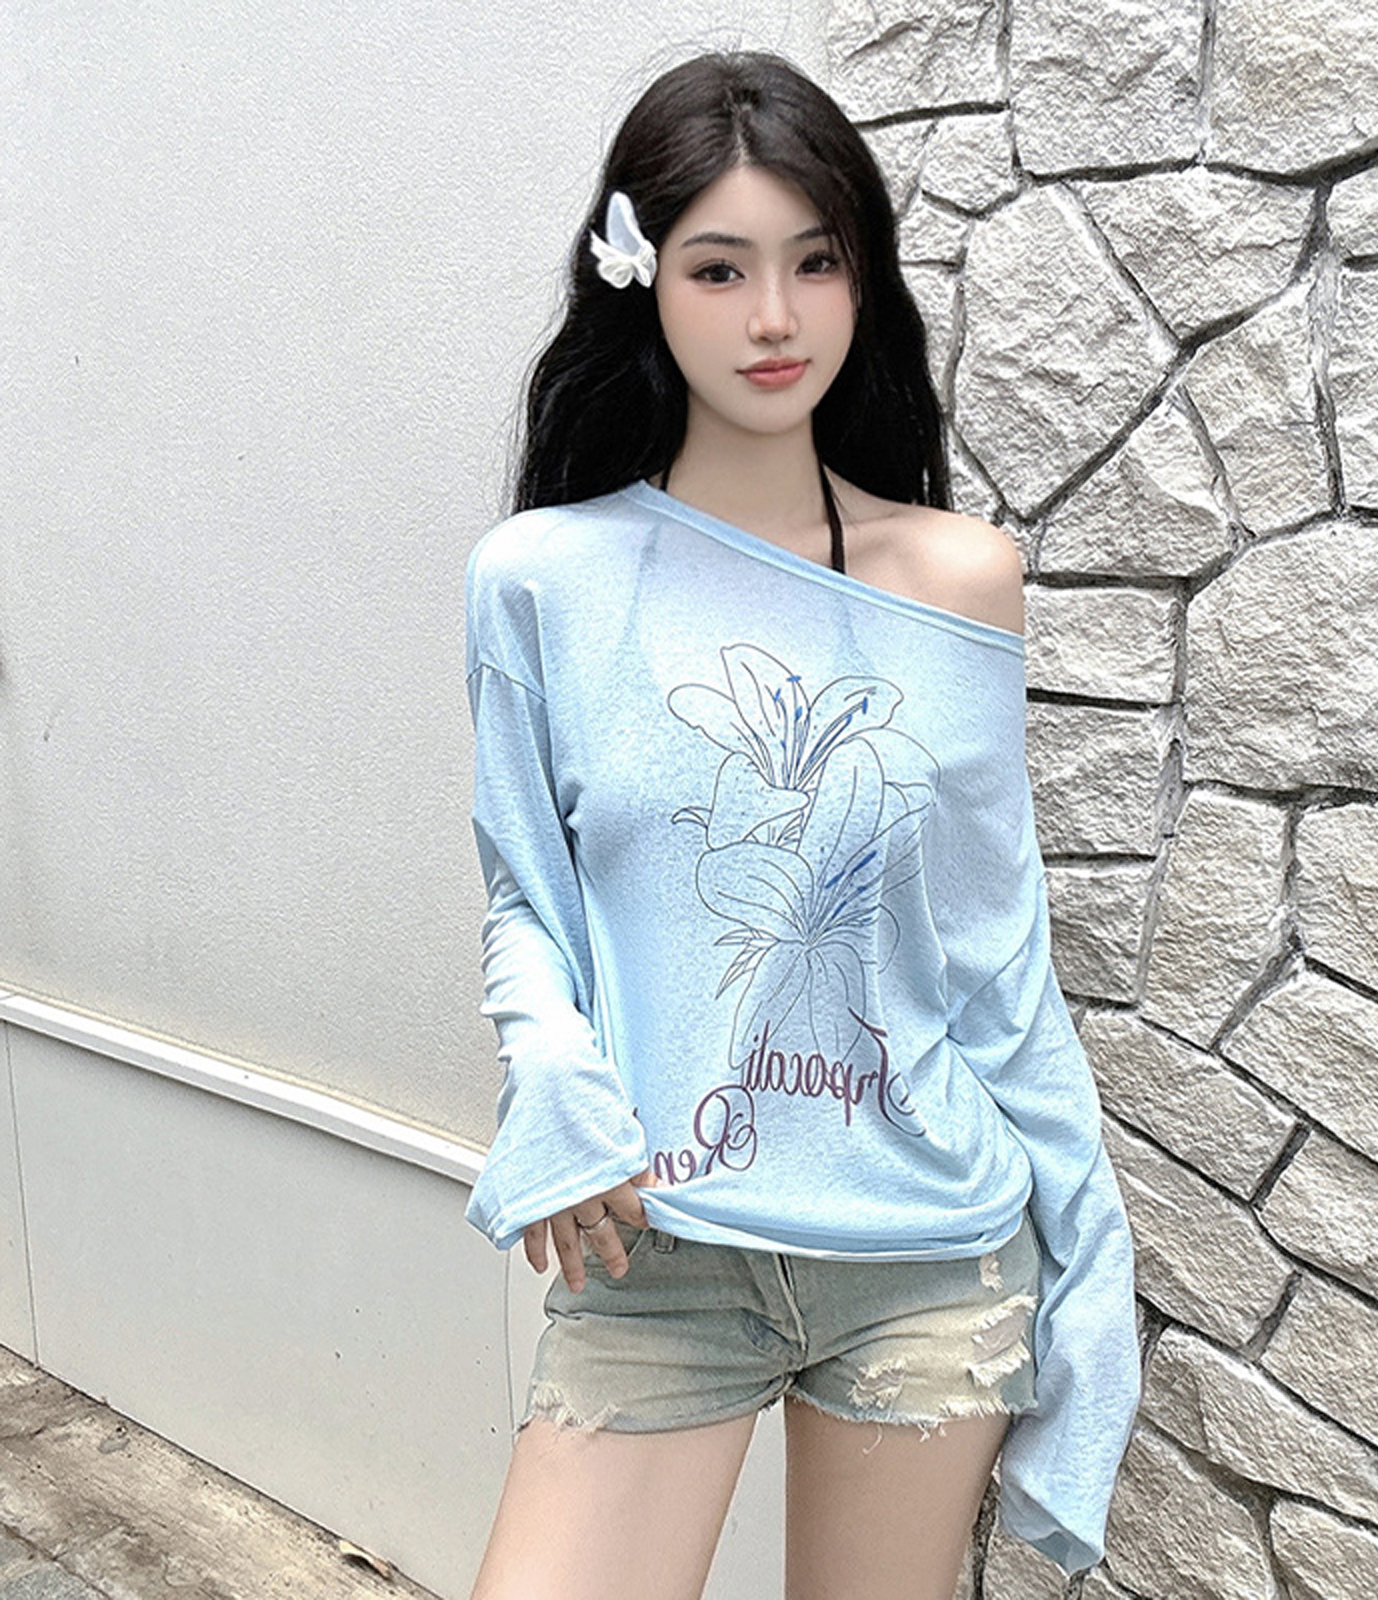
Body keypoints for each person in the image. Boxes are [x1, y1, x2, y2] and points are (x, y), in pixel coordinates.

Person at [462, 50, 1139, 1600]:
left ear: (862, 279)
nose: (775, 317)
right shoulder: (540, 579)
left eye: (815, 263)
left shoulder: (963, 579)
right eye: (720, 268)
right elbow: (527, 898)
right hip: (658, 1246)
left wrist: (1090, 1259)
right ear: (642, 280)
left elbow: (994, 956)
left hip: (929, 1248)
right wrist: (548, 1068)